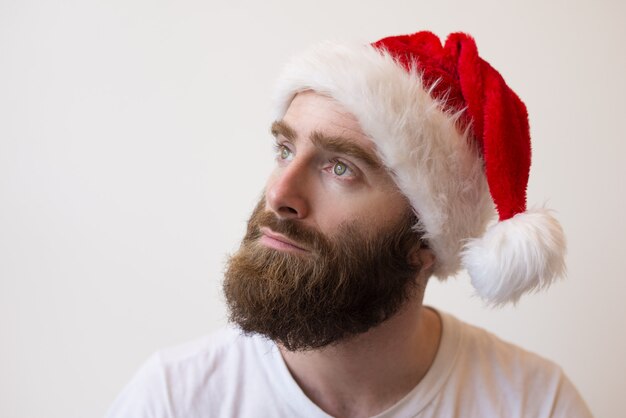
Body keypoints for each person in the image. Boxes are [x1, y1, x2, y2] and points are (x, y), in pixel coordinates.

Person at [106, 31, 593, 418]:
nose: (279, 195)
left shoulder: (534, 403)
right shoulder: (174, 399)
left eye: (341, 168)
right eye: (284, 150)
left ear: (425, 239)